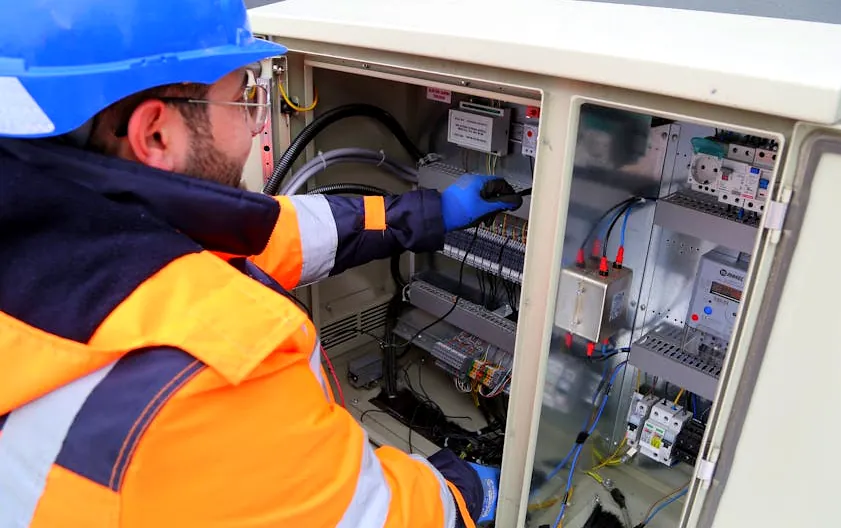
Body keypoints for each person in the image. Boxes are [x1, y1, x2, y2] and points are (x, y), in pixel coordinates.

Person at [0, 1, 518, 526]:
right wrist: (467, 490)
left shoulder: (66, 226)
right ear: (155, 134)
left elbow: (283, 232)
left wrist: (432, 211)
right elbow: (378, 516)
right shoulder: (216, 369)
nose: (255, 126)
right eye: (244, 97)